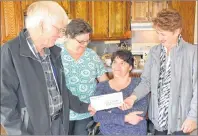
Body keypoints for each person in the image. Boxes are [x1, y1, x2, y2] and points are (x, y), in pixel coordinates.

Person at [0, 1, 95, 135]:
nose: (61, 35)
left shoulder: (53, 52)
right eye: (59, 29)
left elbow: (61, 90)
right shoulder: (10, 52)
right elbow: (4, 103)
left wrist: (84, 106)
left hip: (59, 125)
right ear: (41, 25)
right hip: (32, 131)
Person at [121, 9, 197, 135]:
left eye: (163, 34)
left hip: (181, 120)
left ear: (177, 31)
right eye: (157, 33)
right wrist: (132, 98)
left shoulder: (192, 53)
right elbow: (146, 82)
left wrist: (193, 117)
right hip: (157, 120)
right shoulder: (154, 52)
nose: (159, 37)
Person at [56, 19, 108, 135]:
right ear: (68, 36)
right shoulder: (55, 52)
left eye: (87, 41)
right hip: (62, 113)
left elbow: (104, 82)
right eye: (80, 42)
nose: (84, 45)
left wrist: (108, 101)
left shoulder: (91, 55)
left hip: (87, 111)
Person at [93, 50, 149, 135]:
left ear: (130, 67)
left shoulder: (139, 84)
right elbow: (97, 116)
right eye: (114, 62)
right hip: (108, 133)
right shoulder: (102, 86)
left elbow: (140, 112)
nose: (117, 66)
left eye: (122, 63)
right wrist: (125, 118)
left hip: (135, 132)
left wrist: (110, 111)